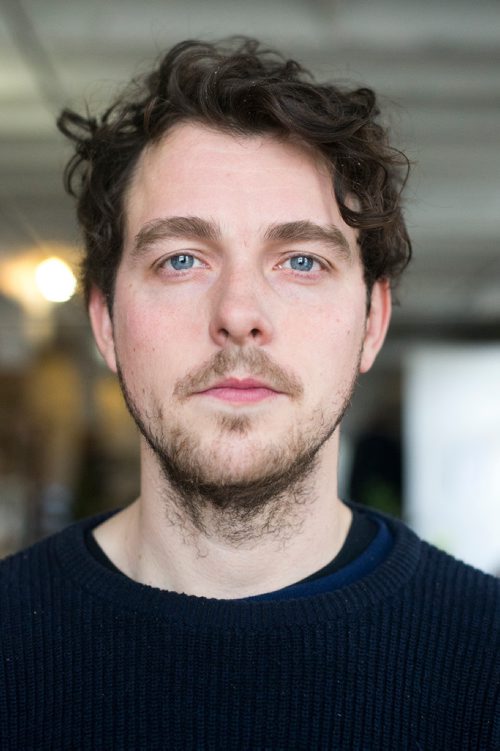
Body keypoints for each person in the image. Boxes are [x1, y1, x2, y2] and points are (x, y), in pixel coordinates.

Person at [1, 38, 498, 750]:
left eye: (300, 260)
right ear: (105, 321)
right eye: (181, 259)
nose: (238, 312)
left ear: (372, 322)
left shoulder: (486, 665)